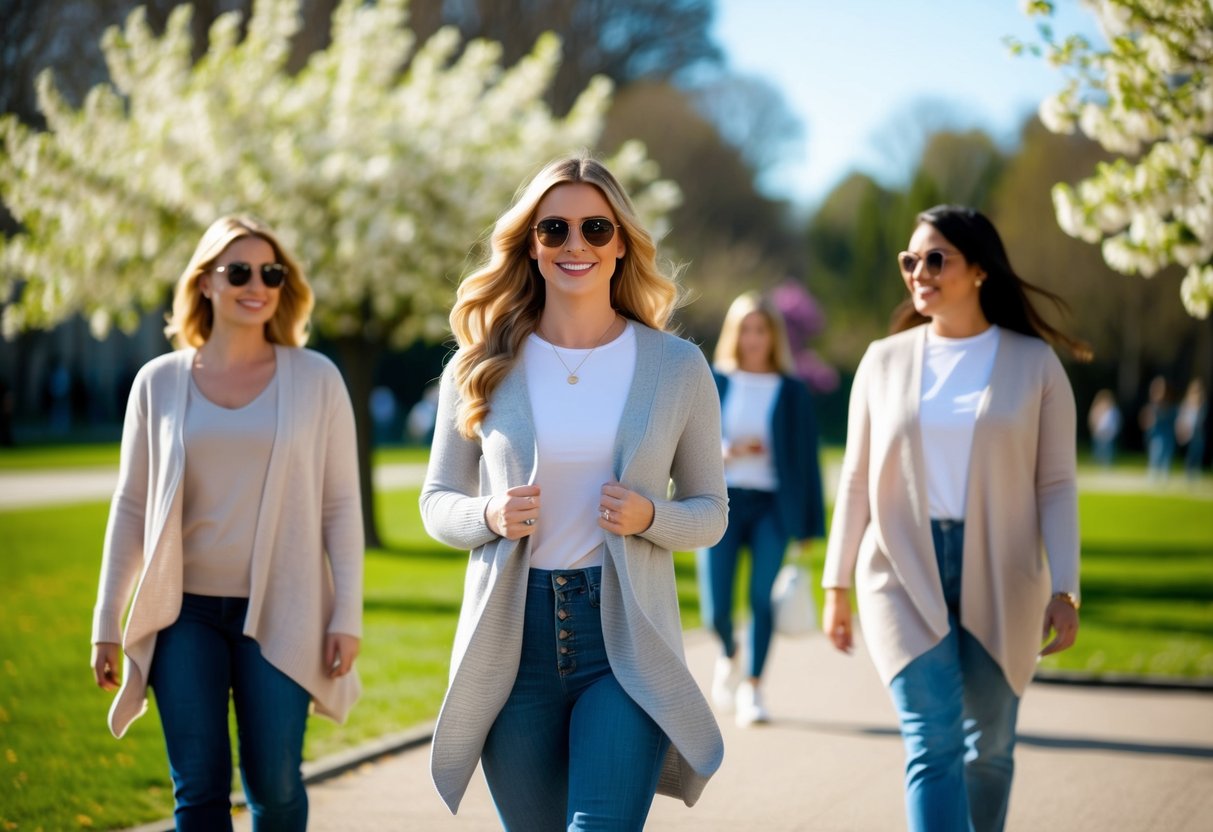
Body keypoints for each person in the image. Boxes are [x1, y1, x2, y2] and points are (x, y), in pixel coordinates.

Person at [419, 154, 728, 830]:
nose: (574, 245)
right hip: (512, 642)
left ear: (620, 242)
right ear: (530, 244)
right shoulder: (479, 366)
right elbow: (437, 500)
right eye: (553, 229)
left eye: (594, 228)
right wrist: (488, 514)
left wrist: (651, 516)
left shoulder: (675, 367)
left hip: (624, 640)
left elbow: (710, 512)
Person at [90, 215, 364, 831]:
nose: (257, 285)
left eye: (271, 273)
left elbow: (341, 505)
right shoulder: (157, 382)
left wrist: (346, 613)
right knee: (199, 793)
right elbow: (131, 504)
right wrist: (108, 620)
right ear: (205, 283)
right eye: (239, 271)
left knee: (276, 786)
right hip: (182, 615)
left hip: (284, 609)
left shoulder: (316, 378)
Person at [822, 205, 1087, 832]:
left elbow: (1056, 483)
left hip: (1005, 572)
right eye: (909, 259)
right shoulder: (882, 361)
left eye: (936, 258)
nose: (919, 271)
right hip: (898, 569)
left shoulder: (1035, 364)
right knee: (932, 742)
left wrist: (1066, 587)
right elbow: (856, 477)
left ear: (979, 271)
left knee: (988, 751)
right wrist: (836, 584)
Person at [697, 291, 825, 726]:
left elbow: (808, 460)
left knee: (760, 599)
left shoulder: (791, 391)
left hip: (773, 506)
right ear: (735, 333)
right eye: (746, 329)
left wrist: (810, 523)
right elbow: (689, 441)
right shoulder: (714, 380)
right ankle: (729, 653)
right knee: (716, 610)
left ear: (774, 336)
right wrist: (727, 450)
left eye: (761, 330)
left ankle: (753, 688)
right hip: (721, 504)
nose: (753, 338)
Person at [1141, 376, 1179, 481]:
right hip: (1156, 436)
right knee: (1156, 453)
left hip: (1167, 435)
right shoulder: (1152, 407)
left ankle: (1164, 476)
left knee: (1166, 455)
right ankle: (1153, 476)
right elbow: (1146, 422)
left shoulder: (1169, 406)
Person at [1175, 379, 1207, 481]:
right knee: (1191, 454)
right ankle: (1188, 473)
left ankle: (1195, 473)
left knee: (1198, 452)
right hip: (1189, 432)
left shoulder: (1203, 404)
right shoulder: (1186, 403)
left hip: (1199, 433)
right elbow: (1182, 419)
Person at [1087, 388, 1121, 467]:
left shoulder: (1112, 410)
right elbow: (1093, 419)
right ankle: (1099, 463)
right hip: (1099, 432)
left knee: (1108, 450)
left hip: (1109, 433)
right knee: (1099, 449)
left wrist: (1114, 431)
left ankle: (1106, 465)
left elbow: (1116, 421)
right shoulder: (1098, 408)